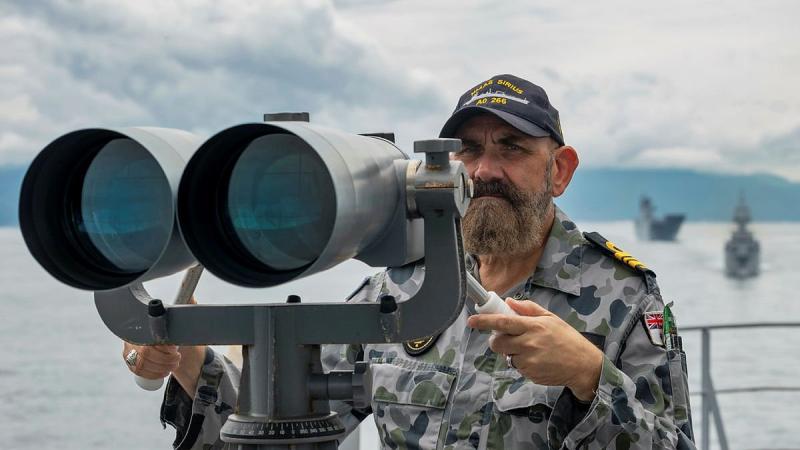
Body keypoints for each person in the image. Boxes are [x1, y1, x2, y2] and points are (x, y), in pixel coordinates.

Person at [123, 74, 695, 449]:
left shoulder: (623, 299)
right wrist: (189, 359)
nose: (484, 171)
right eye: (468, 150)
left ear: (560, 170)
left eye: (512, 149)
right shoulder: (397, 294)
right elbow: (283, 433)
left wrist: (587, 376)